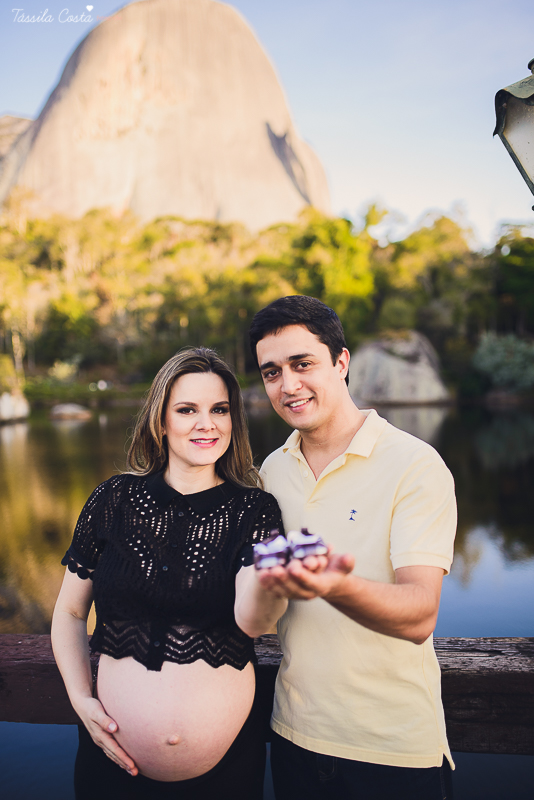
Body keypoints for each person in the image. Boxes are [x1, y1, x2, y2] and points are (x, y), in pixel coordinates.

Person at [243, 295, 457, 800]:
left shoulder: (415, 465)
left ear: (341, 363)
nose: (288, 385)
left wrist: (333, 584)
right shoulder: (268, 473)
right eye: (271, 372)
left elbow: (419, 614)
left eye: (302, 364)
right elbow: (263, 615)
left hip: (395, 752)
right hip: (294, 739)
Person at [51, 347, 285, 800]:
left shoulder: (254, 509)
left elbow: (257, 621)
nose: (207, 423)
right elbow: (70, 612)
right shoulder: (112, 499)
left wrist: (279, 581)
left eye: (219, 409)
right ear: (161, 421)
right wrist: (81, 700)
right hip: (110, 764)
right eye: (187, 410)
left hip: (226, 774)